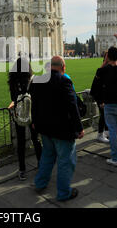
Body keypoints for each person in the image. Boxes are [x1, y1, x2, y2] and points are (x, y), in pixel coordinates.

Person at [30, 56, 84, 201]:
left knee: (47, 156)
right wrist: (79, 128)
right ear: (63, 67)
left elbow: (34, 104)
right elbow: (72, 107)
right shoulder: (64, 80)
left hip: (44, 128)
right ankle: (64, 193)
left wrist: (35, 121)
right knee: (66, 161)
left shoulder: (37, 80)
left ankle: (40, 183)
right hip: (62, 130)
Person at [90, 46, 117, 167]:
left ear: (107, 57)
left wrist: (102, 66)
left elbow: (94, 89)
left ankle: (114, 158)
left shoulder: (102, 71)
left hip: (109, 104)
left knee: (113, 131)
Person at [8, 57, 42, 181]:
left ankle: (22, 169)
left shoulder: (13, 82)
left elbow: (13, 98)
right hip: (32, 114)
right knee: (36, 139)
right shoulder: (33, 81)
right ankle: (41, 163)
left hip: (19, 115)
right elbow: (37, 99)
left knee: (21, 142)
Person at [93, 52, 109, 144]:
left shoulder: (107, 67)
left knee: (106, 114)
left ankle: (106, 132)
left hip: (104, 95)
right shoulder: (102, 69)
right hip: (100, 96)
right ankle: (100, 134)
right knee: (103, 114)